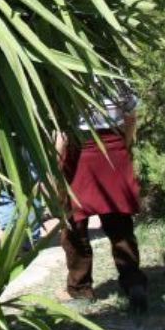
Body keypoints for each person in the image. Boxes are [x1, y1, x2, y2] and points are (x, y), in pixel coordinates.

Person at [56, 82, 148, 313]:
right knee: (119, 222)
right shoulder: (114, 73)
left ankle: (80, 290)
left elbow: (60, 132)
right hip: (114, 147)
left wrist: (55, 168)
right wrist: (123, 146)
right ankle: (134, 283)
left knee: (73, 224)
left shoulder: (65, 75)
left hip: (80, 149)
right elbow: (130, 115)